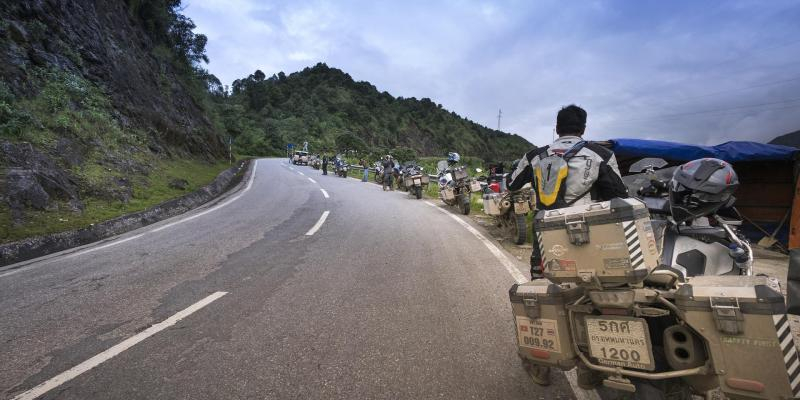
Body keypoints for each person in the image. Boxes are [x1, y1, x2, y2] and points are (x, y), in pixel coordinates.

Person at [507, 104, 628, 387]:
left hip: (544, 238)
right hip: (586, 237)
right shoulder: (601, 155)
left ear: (557, 127)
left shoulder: (535, 155)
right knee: (592, 291)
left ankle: (540, 365)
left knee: (541, 295)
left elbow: (512, 183)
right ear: (583, 129)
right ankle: (592, 365)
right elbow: (620, 196)